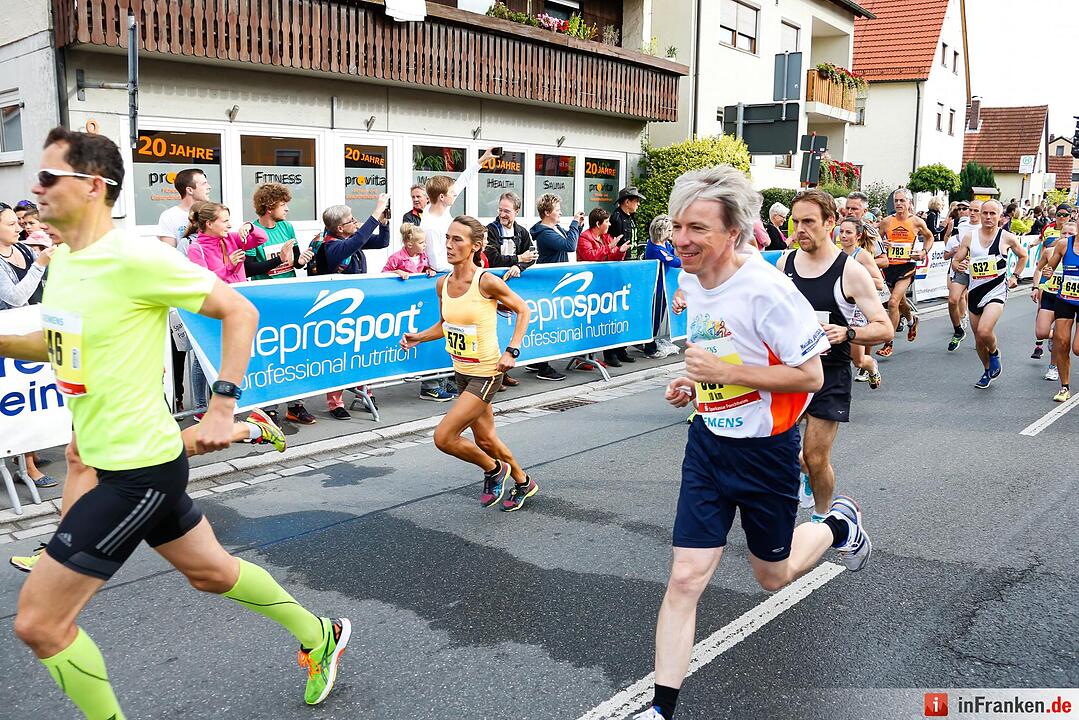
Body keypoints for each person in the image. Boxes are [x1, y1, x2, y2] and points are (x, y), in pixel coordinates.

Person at [6, 128, 347, 718]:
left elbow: (239, 310)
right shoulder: (64, 260)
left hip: (135, 473)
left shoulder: (137, 258)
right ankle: (320, 634)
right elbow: (55, 341)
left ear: (92, 187)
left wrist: (222, 405)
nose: (35, 188)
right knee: (212, 574)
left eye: (48, 176)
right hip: (123, 459)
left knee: (40, 623)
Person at [636, 167, 870, 720]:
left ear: (734, 233)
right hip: (708, 444)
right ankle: (660, 709)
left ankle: (838, 525)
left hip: (766, 452)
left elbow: (810, 376)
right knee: (685, 577)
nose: (681, 240)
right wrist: (694, 383)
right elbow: (720, 352)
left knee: (772, 577)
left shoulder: (768, 291)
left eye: (697, 229)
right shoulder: (692, 278)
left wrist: (725, 374)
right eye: (676, 226)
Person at [399, 215, 537, 510]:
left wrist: (512, 351)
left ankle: (494, 469)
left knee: (444, 437)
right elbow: (445, 325)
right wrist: (418, 337)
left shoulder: (486, 281)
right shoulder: (443, 283)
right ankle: (524, 482)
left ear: (475, 246)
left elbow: (523, 310)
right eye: (447, 238)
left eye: (457, 239)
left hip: (487, 373)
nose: (449, 245)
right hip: (461, 372)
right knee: (486, 440)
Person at [780, 193, 892, 519]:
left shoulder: (851, 271)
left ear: (829, 222)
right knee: (779, 450)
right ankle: (802, 476)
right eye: (795, 222)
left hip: (830, 373)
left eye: (808, 222)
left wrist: (848, 333)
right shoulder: (785, 263)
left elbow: (883, 327)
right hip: (791, 371)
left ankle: (823, 516)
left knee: (815, 457)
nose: (800, 229)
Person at [310, 198, 391, 415]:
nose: (356, 222)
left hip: (359, 306)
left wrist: (384, 223)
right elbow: (358, 241)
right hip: (338, 311)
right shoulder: (332, 247)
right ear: (339, 228)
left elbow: (382, 242)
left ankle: (364, 392)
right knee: (338, 355)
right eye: (351, 220)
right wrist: (376, 212)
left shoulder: (349, 239)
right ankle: (335, 403)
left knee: (362, 350)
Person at [0, 206, 58, 488]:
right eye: (11, 223)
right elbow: (14, 297)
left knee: (32, 396)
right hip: (9, 338)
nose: (19, 228)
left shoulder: (23, 249)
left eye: (18, 222)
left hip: (32, 328)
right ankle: (27, 466)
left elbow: (41, 286)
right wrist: (41, 263)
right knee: (17, 401)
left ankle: (30, 455)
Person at [951, 200, 1027, 389]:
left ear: (1000, 216)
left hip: (996, 291)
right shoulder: (970, 237)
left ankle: (994, 353)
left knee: (984, 331)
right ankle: (987, 370)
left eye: (993, 213)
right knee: (978, 340)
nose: (988, 217)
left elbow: (1023, 256)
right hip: (975, 292)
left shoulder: (1006, 237)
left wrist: (1015, 276)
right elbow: (956, 261)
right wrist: (958, 265)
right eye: (985, 213)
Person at [483, 191, 536, 389]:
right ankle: (492, 375)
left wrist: (518, 266)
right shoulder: (491, 230)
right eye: (500, 210)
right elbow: (493, 258)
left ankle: (503, 373)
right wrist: (518, 259)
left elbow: (532, 256)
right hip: (491, 288)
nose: (502, 214)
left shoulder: (522, 231)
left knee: (507, 331)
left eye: (507, 211)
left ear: (517, 211)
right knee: (491, 331)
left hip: (511, 289)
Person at [876, 188, 934, 357]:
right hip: (889, 267)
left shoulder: (916, 222)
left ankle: (888, 342)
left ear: (909, 203)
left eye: (902, 200)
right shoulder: (887, 221)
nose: (899, 203)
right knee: (901, 302)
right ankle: (911, 320)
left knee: (893, 302)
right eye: (896, 201)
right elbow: (875, 241)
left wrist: (923, 252)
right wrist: (882, 244)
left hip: (907, 266)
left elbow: (929, 237)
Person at [837, 217, 885, 389]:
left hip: (857, 310)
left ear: (858, 235)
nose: (843, 235)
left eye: (848, 232)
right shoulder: (835, 254)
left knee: (858, 361)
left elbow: (879, 283)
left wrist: (855, 281)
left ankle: (871, 367)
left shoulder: (862, 255)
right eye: (841, 231)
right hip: (839, 307)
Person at [1034, 221, 1078, 402]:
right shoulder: (1064, 244)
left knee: (1077, 348)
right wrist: (1046, 274)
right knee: (1062, 343)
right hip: (1065, 299)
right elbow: (1049, 268)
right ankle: (1064, 387)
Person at [1031, 204, 1071, 375]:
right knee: (1041, 332)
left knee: (1061, 338)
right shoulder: (1050, 252)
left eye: (1070, 234)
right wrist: (1036, 287)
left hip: (1065, 298)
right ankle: (1053, 335)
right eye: (1064, 234)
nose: (1066, 237)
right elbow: (1039, 269)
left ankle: (1053, 367)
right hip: (1048, 292)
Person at [185, 203, 268, 284]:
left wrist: (249, 226)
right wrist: (229, 267)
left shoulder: (231, 238)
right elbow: (204, 282)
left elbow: (262, 238)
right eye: (225, 221)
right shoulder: (196, 249)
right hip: (221, 293)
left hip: (241, 291)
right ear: (209, 224)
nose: (229, 225)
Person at [642, 214, 681, 359]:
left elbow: (674, 253)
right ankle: (649, 346)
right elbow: (674, 261)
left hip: (664, 287)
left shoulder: (665, 244)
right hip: (656, 287)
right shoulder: (655, 248)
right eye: (670, 230)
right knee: (654, 317)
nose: (672, 233)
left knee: (658, 317)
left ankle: (653, 340)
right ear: (662, 231)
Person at [156, 168, 210, 246]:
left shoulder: (212, 212)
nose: (209, 187)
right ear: (190, 190)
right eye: (204, 184)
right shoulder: (169, 216)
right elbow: (168, 251)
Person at [943, 201, 971, 351]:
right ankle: (959, 327)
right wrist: (954, 254)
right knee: (954, 298)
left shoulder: (982, 231)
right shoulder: (954, 232)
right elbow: (946, 255)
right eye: (959, 209)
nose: (961, 211)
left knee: (970, 299)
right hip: (960, 270)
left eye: (964, 208)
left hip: (978, 272)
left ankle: (983, 335)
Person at [610, 186, 645, 260]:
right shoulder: (616, 218)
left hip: (633, 258)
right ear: (627, 202)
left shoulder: (632, 216)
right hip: (621, 261)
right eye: (636, 201)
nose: (638, 204)